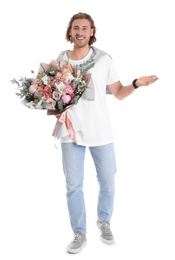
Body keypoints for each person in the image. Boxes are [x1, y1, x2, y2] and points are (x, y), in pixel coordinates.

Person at [54, 12, 158, 254]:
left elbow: (118, 93)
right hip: (70, 131)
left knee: (108, 182)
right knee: (73, 185)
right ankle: (79, 233)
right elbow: (53, 94)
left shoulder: (103, 60)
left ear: (92, 32)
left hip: (100, 130)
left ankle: (104, 221)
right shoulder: (60, 60)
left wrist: (135, 83)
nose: (80, 32)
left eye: (85, 28)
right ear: (70, 31)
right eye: (76, 27)